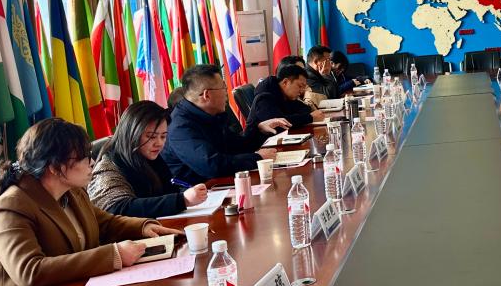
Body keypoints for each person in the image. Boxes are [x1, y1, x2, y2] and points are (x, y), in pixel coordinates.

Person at [0, 118, 180, 286]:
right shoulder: (10, 208)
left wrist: (143, 227)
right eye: (84, 157)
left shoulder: (72, 191)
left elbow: (104, 223)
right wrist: (113, 255)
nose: (92, 162)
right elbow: (30, 271)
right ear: (55, 167)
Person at [161, 64, 291, 182]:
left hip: (218, 184)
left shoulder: (210, 115)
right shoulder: (180, 127)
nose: (227, 93)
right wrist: (257, 158)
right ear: (207, 95)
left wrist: (259, 129)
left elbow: (236, 146)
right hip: (197, 192)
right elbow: (212, 166)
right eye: (223, 88)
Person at [88, 101, 209, 218]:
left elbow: (168, 190)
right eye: (151, 136)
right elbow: (116, 208)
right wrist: (182, 200)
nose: (159, 143)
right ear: (132, 134)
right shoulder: (109, 166)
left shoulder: (148, 155)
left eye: (163, 136)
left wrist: (187, 193)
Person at [248, 63, 324, 128]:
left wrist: (298, 117)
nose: (301, 91)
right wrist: (310, 118)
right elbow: (279, 124)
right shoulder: (264, 97)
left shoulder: (285, 94)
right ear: (285, 82)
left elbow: (305, 109)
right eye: (300, 86)